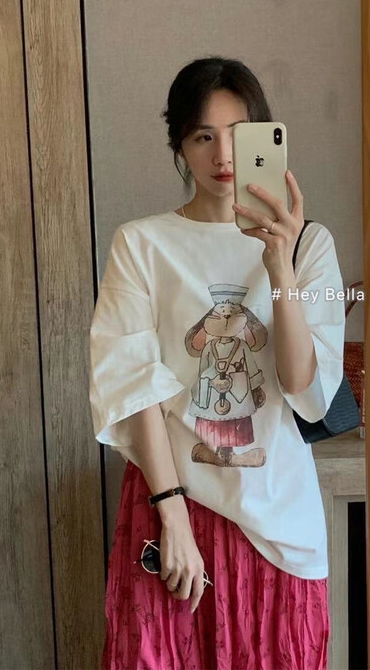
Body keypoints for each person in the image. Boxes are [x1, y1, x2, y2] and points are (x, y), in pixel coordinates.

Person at [89, 56, 346, 669]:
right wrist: (172, 513)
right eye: (203, 136)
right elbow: (134, 382)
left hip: (277, 517)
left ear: (265, 138)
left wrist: (279, 266)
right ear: (179, 145)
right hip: (173, 502)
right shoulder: (141, 244)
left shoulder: (309, 245)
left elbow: (303, 386)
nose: (223, 155)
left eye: (237, 135)